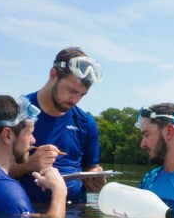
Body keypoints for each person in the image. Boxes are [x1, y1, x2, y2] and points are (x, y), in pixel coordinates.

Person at [9, 47, 106, 206]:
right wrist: (29, 164)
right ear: (53, 75)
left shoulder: (86, 123)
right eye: (71, 90)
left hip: (74, 214)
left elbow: (91, 169)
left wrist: (94, 178)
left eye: (82, 95)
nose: (75, 99)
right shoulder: (16, 112)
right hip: (24, 214)